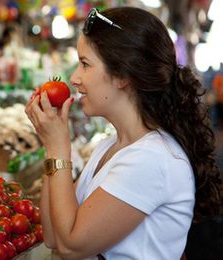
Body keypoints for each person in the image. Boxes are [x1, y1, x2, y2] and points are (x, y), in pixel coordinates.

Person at [25, 7, 222, 259]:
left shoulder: (152, 159)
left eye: (85, 64)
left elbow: (70, 246)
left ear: (122, 75)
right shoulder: (109, 147)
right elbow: (53, 235)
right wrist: (50, 146)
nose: (74, 78)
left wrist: (57, 148)